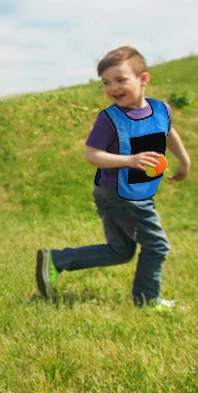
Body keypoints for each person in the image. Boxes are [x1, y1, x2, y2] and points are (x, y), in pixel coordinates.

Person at [36, 46, 190, 307]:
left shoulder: (161, 109)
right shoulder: (110, 119)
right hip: (120, 194)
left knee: (120, 251)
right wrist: (129, 160)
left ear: (143, 79)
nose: (113, 87)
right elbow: (92, 154)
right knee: (156, 246)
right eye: (106, 82)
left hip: (131, 193)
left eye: (120, 80)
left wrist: (184, 160)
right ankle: (147, 300)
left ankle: (57, 260)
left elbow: (169, 132)